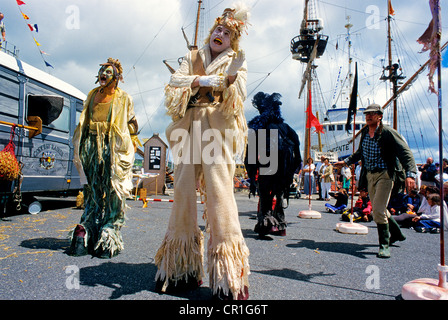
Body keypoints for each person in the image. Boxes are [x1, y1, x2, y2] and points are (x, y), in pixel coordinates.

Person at [154, 4, 250, 300]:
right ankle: (180, 271)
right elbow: (174, 82)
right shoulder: (192, 57)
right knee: (181, 193)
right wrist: (200, 80)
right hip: (187, 127)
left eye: (227, 32)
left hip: (216, 130)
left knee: (221, 197)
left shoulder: (236, 60)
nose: (220, 33)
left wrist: (229, 83)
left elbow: (239, 95)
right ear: (212, 33)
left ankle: (229, 278)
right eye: (218, 29)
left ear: (233, 39)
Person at [69, 58, 139, 258]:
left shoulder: (124, 98)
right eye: (101, 70)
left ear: (117, 77)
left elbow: (132, 123)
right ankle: (87, 227)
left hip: (113, 148)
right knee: (92, 188)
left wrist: (132, 136)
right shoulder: (92, 95)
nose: (103, 74)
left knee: (113, 189)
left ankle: (109, 229)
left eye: (108, 72)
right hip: (91, 146)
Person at [336, 103, 416, 258]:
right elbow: (360, 153)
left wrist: (410, 173)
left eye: (372, 113)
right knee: (380, 209)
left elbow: (405, 152)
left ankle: (384, 245)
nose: (368, 116)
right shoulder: (366, 132)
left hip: (385, 175)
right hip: (370, 175)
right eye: (367, 113)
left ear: (380, 116)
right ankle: (397, 233)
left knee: (377, 210)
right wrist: (345, 162)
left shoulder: (387, 133)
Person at [245, 92, 301, 237]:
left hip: (267, 166)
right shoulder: (286, 127)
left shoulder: (258, 127)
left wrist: (252, 174)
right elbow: (297, 149)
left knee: (265, 195)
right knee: (280, 194)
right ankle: (280, 226)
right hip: (283, 169)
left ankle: (266, 225)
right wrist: (292, 170)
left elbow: (250, 154)